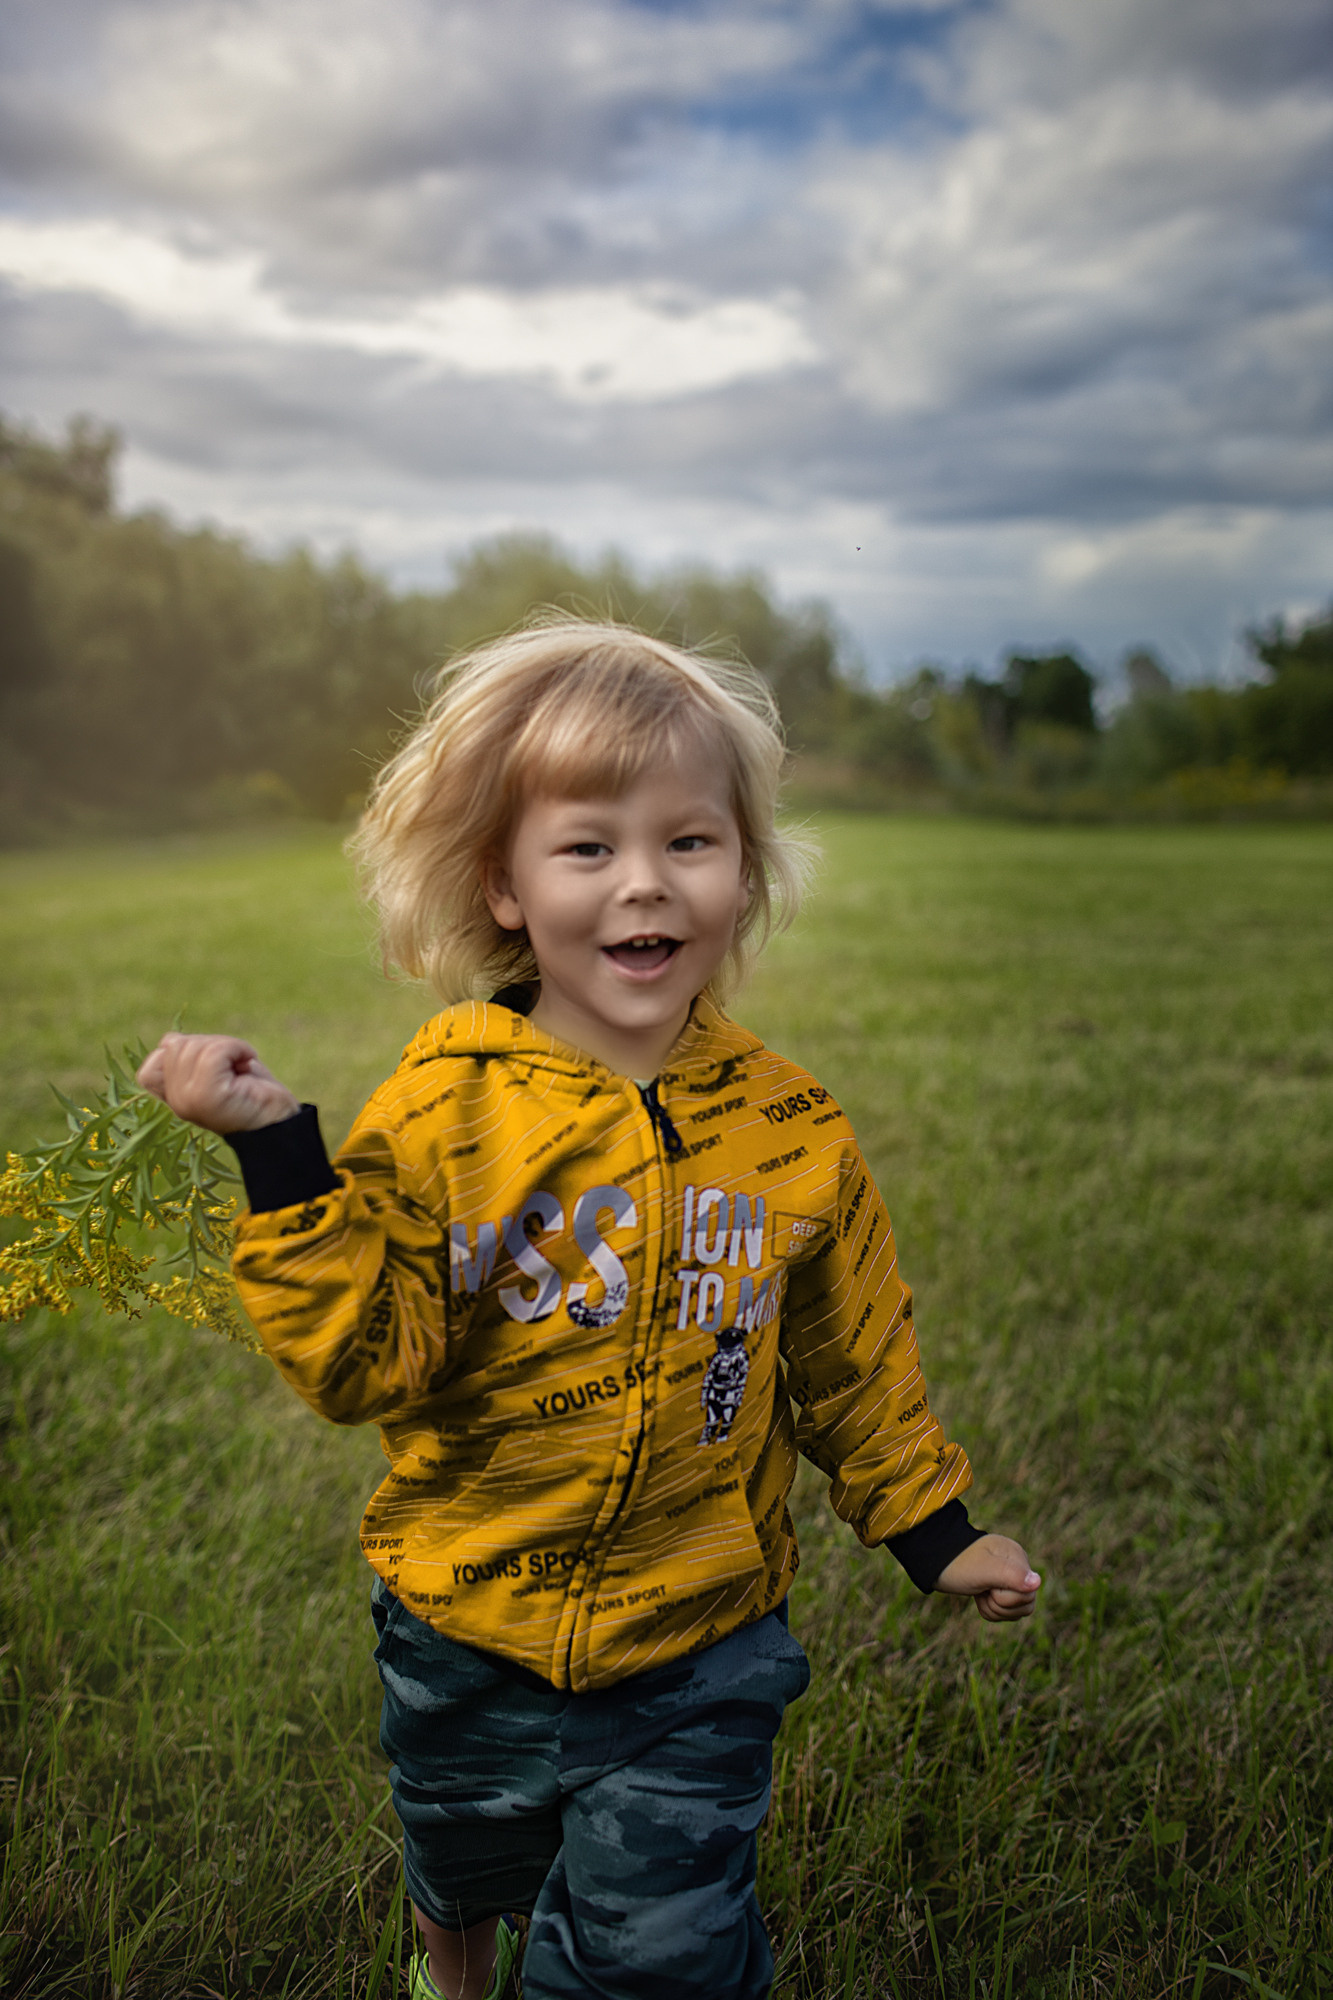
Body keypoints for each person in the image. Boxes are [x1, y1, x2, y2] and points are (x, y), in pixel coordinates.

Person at [138, 620, 1040, 2000]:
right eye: (587, 848)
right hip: (464, 1615)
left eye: (690, 842)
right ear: (502, 886)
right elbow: (358, 1360)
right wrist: (280, 1157)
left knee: (653, 1956)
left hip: (698, 1638)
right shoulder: (445, 1108)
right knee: (464, 1861)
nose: (645, 885)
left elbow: (852, 1364)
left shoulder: (793, 1129)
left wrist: (935, 1530)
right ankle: (450, 1974)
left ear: (743, 876)